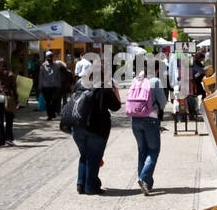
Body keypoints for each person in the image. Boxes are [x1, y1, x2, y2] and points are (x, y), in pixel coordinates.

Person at [71, 58, 121, 195]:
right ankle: (91, 187)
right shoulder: (104, 87)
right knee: (94, 157)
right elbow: (116, 106)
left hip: (77, 127)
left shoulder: (80, 83)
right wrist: (115, 90)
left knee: (84, 155)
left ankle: (81, 184)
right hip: (97, 128)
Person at [126, 66, 166, 194]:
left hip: (135, 119)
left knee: (142, 150)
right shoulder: (155, 81)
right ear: (155, 70)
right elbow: (163, 102)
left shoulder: (135, 80)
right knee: (153, 150)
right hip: (151, 119)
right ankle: (143, 178)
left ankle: (145, 183)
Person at [38, 49, 64, 119]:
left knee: (54, 100)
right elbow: (41, 77)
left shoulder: (56, 66)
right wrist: (40, 87)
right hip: (46, 87)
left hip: (54, 86)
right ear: (46, 58)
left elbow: (58, 76)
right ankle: (49, 115)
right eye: (48, 57)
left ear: (52, 57)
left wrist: (59, 85)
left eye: (51, 57)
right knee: (47, 101)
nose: (49, 58)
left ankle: (52, 112)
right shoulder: (43, 66)